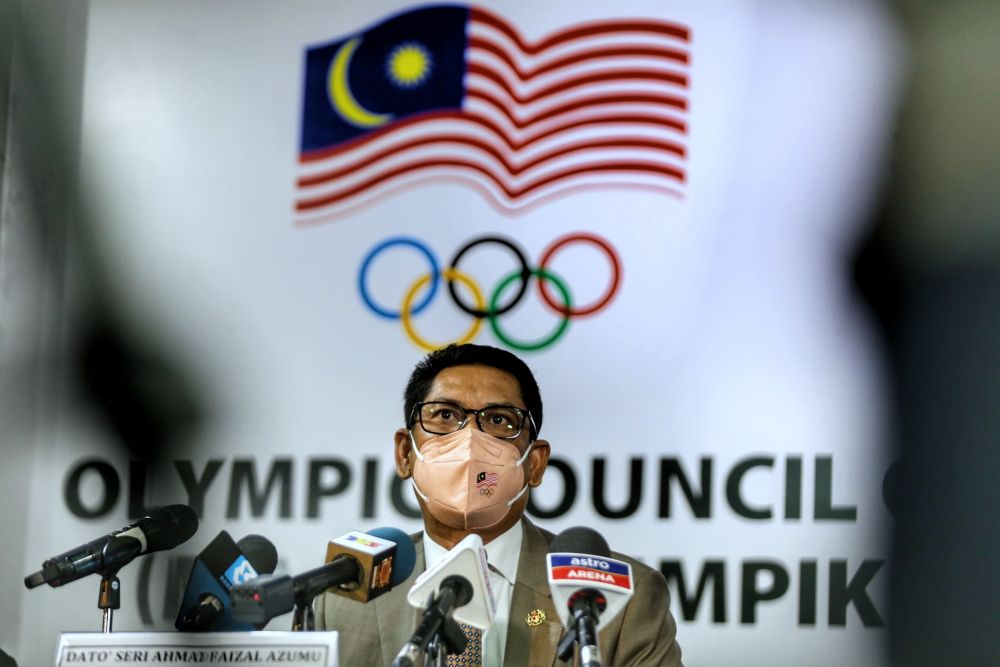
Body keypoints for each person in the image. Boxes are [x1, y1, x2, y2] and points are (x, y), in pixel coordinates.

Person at [315, 344, 683, 666]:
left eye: (498, 420)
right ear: (404, 453)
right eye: (445, 415)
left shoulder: (624, 599)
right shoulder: (344, 597)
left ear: (535, 463)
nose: (470, 439)